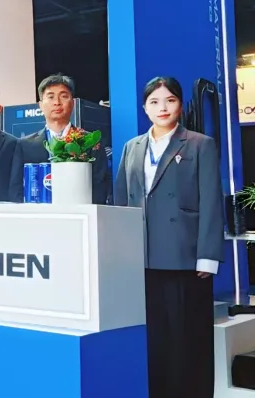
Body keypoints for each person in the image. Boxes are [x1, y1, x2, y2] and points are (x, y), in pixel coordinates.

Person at [113, 76, 223, 398]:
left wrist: (207, 256)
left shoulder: (200, 144)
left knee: (188, 340)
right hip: (142, 258)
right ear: (145, 108)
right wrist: (119, 252)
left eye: (170, 100)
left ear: (180, 105)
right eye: (154, 102)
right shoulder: (132, 147)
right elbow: (120, 200)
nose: (162, 108)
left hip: (184, 257)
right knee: (154, 340)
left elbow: (212, 201)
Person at [21, 74, 111, 204]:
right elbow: (17, 187)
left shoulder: (90, 141)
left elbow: (99, 186)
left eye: (63, 96)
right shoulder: (25, 145)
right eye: (50, 97)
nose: (57, 102)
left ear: (73, 103)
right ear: (40, 105)